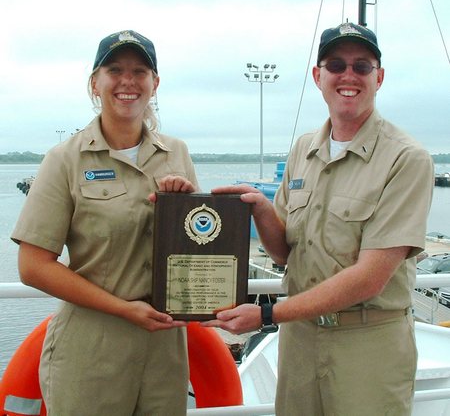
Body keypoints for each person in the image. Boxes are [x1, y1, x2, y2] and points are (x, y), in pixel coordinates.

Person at [205, 22, 434, 415]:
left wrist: (267, 314)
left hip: (368, 344)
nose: (349, 75)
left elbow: (370, 277)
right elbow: (283, 253)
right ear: (318, 76)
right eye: (336, 65)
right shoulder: (302, 150)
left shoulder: (406, 159)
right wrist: (261, 208)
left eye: (362, 66)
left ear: (379, 77)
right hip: (300, 341)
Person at [11, 30, 199, 415]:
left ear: (155, 83)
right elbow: (33, 267)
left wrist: (185, 208)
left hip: (165, 349)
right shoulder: (64, 159)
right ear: (95, 83)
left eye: (140, 71)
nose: (128, 81)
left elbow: (197, 247)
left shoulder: (176, 153)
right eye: (115, 70)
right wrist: (123, 309)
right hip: (91, 346)